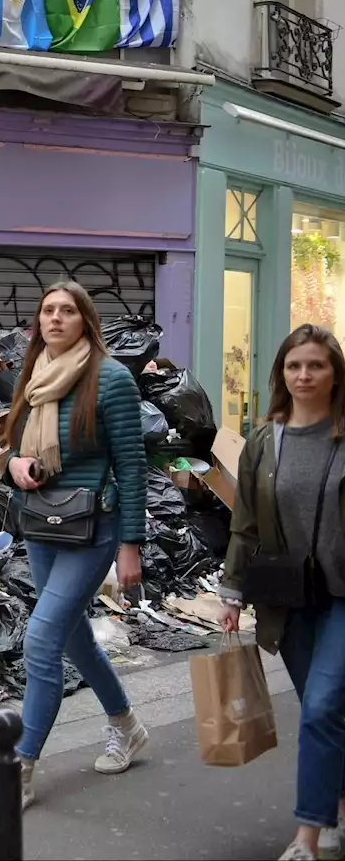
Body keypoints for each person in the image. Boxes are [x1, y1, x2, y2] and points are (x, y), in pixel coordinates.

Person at [1, 281, 149, 810]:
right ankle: (126, 724)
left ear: (86, 321)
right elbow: (17, 446)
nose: (56, 318)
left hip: (95, 529)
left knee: (41, 639)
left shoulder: (111, 380)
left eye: (67, 311)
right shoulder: (36, 376)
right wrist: (15, 464)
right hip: (44, 524)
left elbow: (133, 466)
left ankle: (19, 766)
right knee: (70, 638)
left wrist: (131, 544)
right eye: (48, 310)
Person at [219, 324, 345, 861]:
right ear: (281, 374)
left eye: (315, 365)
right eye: (294, 366)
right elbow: (244, 522)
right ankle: (336, 805)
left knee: (320, 707)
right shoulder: (266, 442)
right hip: (287, 596)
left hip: (343, 596)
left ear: (335, 373)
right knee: (328, 710)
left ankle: (306, 838)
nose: (304, 375)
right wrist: (231, 591)